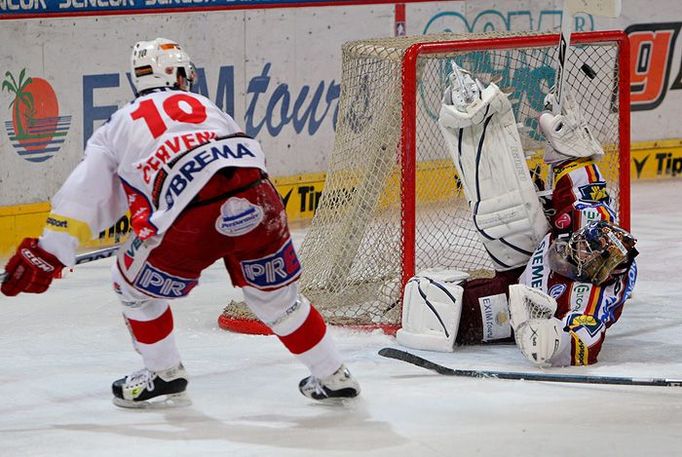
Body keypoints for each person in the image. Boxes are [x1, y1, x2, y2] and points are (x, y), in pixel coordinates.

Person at [0, 38, 360, 407]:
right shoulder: (206, 105)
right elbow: (241, 162)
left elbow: (84, 197)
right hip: (259, 197)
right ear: (179, 74)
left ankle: (163, 373)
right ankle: (332, 374)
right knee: (277, 300)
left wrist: (51, 252)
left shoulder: (117, 126)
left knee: (131, 286)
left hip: (192, 216)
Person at [397, 62, 638, 367]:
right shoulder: (591, 221)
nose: (576, 246)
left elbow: (584, 344)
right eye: (580, 243)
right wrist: (568, 143)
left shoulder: (588, 298)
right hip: (526, 258)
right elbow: (582, 178)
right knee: (507, 210)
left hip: (525, 303)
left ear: (594, 274)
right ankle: (477, 116)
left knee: (439, 313)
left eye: (582, 254)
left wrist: (548, 339)